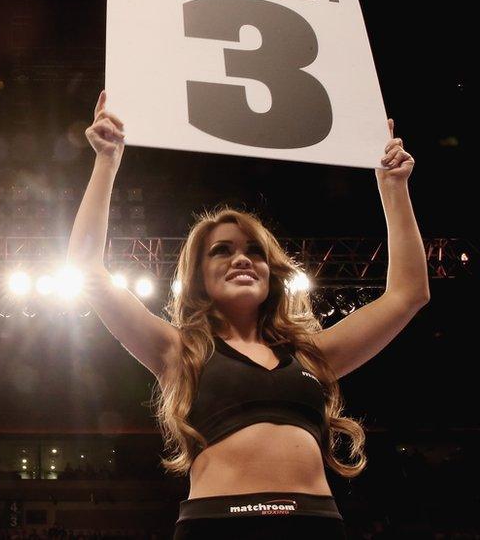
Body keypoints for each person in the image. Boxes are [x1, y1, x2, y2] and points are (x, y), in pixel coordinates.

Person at [67, 90, 429, 539]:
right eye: (223, 251)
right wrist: (107, 161)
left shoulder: (312, 354)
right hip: (217, 524)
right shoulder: (177, 349)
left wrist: (393, 188)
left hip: (314, 524)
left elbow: (408, 294)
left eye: (254, 251)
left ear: (271, 272)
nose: (242, 259)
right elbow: (87, 270)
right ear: (198, 277)